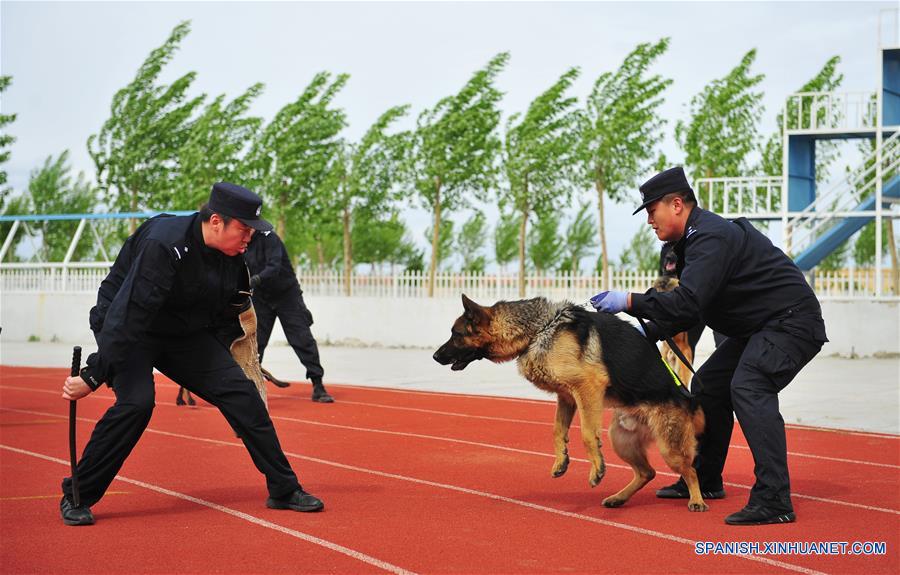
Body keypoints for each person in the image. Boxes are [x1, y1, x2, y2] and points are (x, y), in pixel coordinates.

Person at [60, 182, 324, 526]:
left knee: (242, 394)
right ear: (217, 221)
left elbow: (226, 316)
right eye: (244, 230)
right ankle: (78, 494)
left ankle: (284, 489)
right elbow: (131, 314)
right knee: (136, 404)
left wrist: (232, 362)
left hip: (182, 333)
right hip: (130, 327)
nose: (250, 238)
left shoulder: (233, 260)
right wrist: (94, 374)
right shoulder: (164, 243)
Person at [590, 166, 827, 526]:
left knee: (749, 385)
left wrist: (630, 301)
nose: (650, 221)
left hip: (791, 323)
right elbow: (693, 309)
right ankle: (704, 479)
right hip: (761, 327)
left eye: (652, 212)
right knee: (709, 386)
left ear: (677, 204)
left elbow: (688, 302)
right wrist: (648, 331)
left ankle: (775, 499)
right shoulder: (689, 243)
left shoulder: (712, 237)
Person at [243, 229, 333, 403]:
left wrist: (254, 280)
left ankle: (318, 384)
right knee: (255, 343)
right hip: (261, 298)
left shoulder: (270, 238)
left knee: (302, 339)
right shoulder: (239, 241)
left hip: (287, 295)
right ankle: (250, 387)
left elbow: (274, 266)